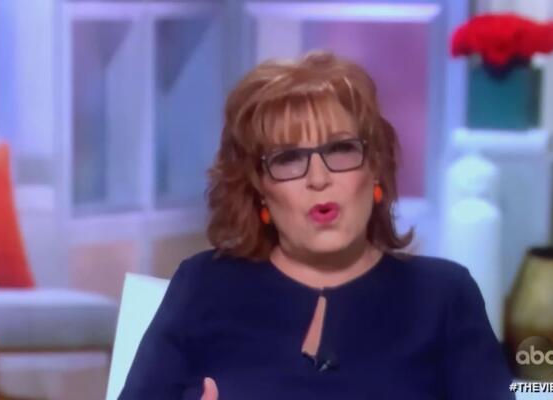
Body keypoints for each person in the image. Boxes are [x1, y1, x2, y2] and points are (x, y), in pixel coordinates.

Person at [118, 51, 515, 400]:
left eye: (340, 149)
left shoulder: (444, 297)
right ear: (259, 188)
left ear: (376, 168)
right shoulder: (202, 286)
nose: (318, 178)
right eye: (288, 159)